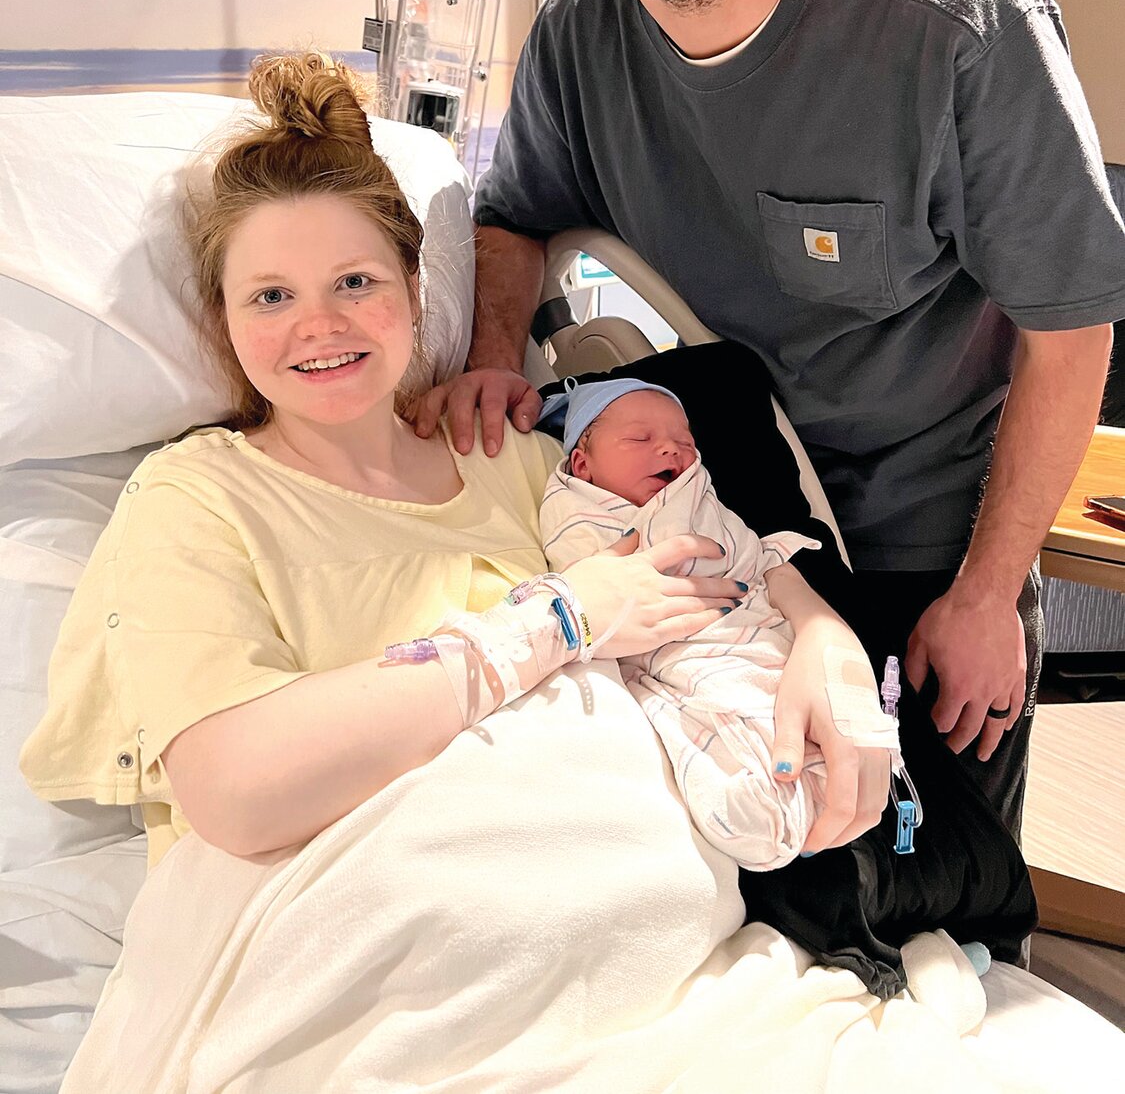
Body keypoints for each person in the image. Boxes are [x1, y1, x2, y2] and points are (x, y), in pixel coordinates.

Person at [414, 0, 1125, 841]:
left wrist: (990, 593)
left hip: (923, 542)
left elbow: (1070, 324)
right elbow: (516, 214)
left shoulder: (957, 25)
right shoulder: (578, 42)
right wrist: (492, 352)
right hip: (711, 528)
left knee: (934, 885)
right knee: (744, 891)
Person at [20, 50, 884, 873]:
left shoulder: (511, 460)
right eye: (272, 296)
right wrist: (560, 621)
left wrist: (821, 635)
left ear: (412, 290)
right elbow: (237, 794)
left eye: (355, 282)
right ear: (224, 318)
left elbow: (701, 549)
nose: (319, 324)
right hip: (364, 934)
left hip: (631, 897)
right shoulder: (194, 498)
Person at [537, 376, 900, 872]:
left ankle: (817, 801)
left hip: (753, 626)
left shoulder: (701, 497)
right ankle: (771, 808)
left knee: (818, 722)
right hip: (679, 648)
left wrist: (813, 618)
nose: (671, 448)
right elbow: (591, 587)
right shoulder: (575, 509)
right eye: (641, 439)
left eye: (685, 441)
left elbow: (750, 557)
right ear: (583, 464)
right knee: (726, 722)